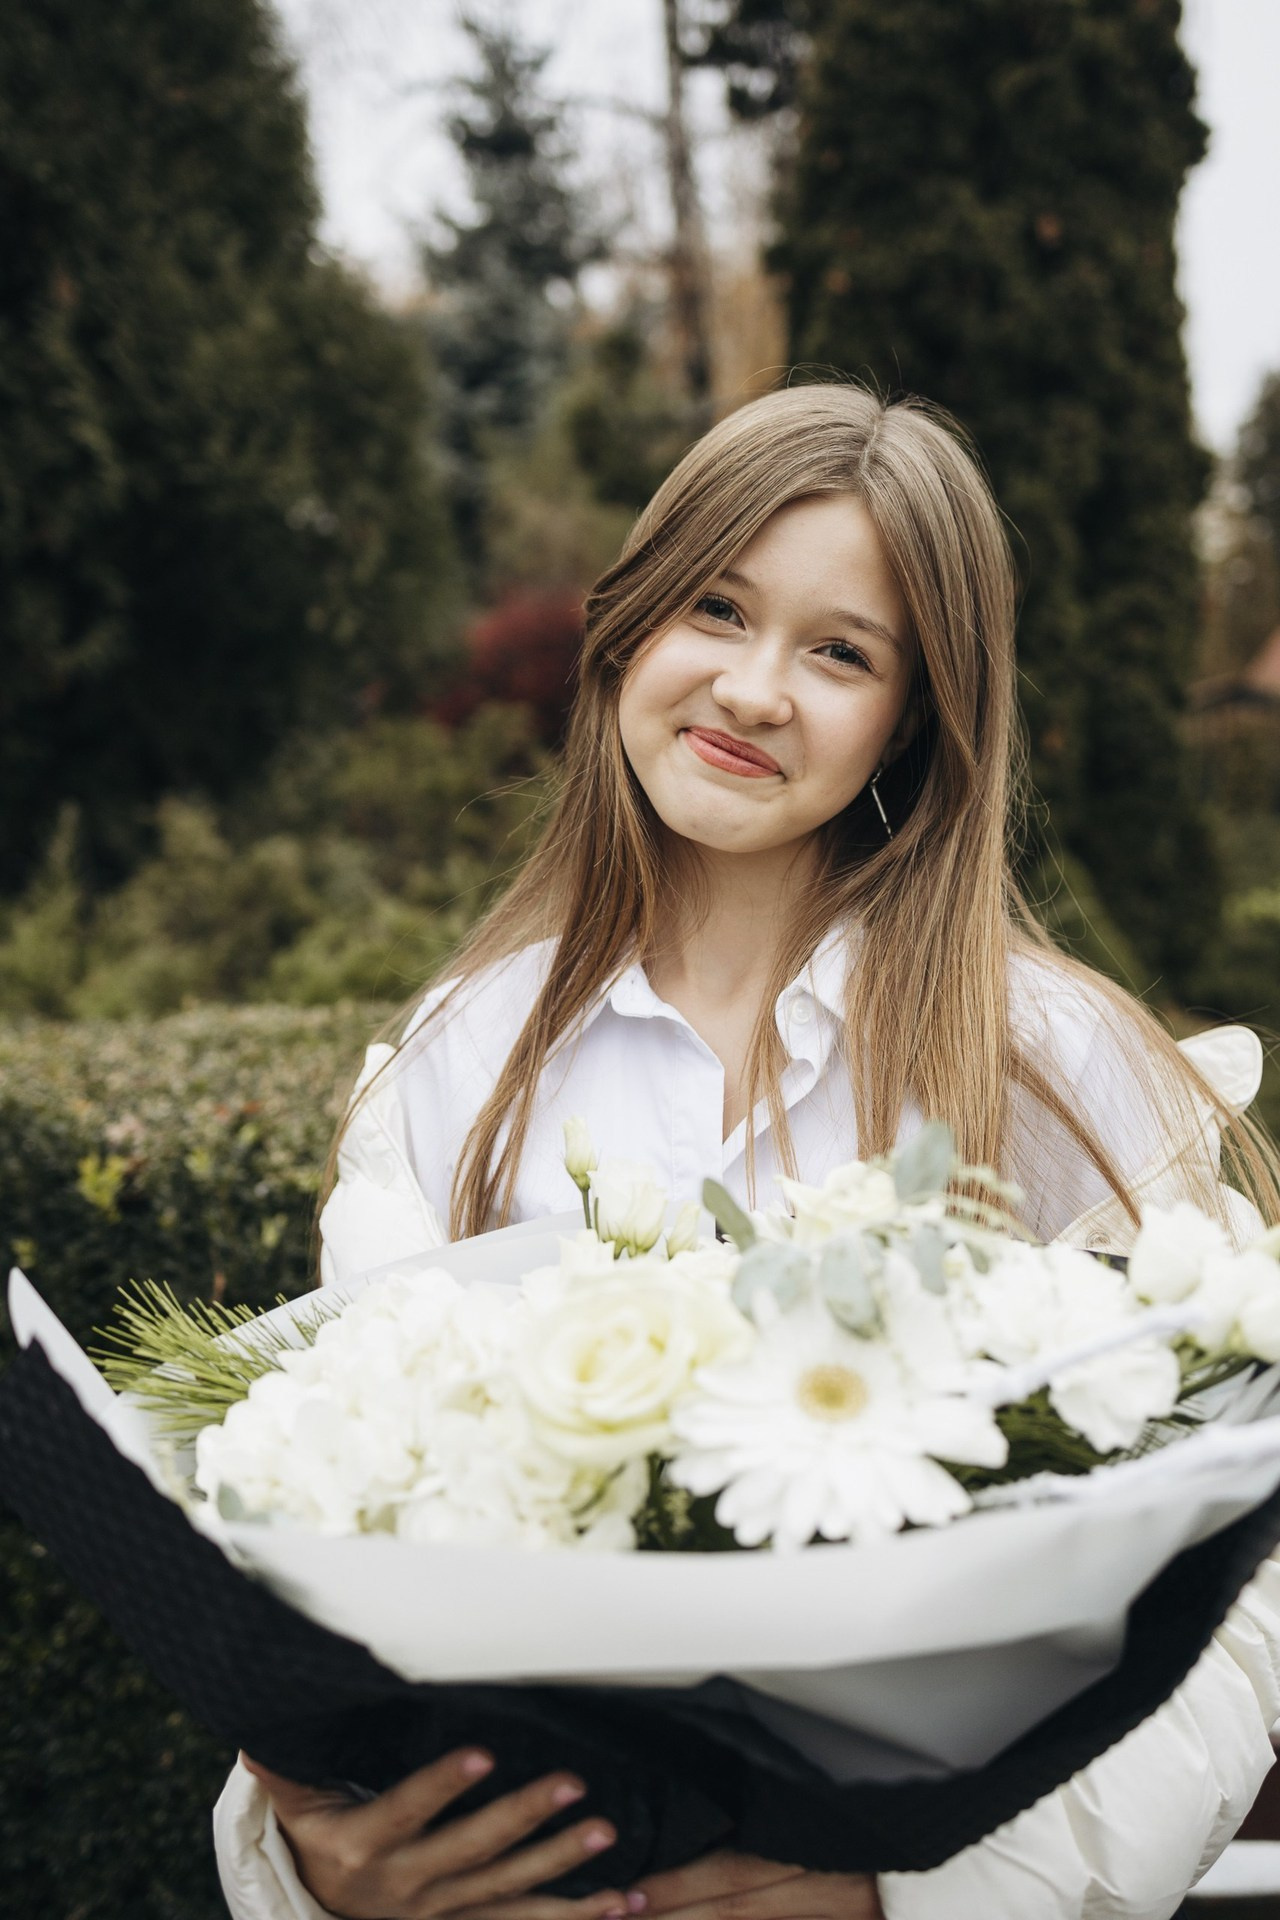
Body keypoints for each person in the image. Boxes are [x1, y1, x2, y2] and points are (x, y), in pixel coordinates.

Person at [214, 384, 1280, 1920]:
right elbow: (325, 1564)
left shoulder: (1058, 1069)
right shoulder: (460, 1065)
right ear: (634, 625)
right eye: (717, 607)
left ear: (916, 713)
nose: (755, 687)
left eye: (842, 651)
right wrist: (311, 1863)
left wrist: (914, 1896)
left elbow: (1228, 1619)